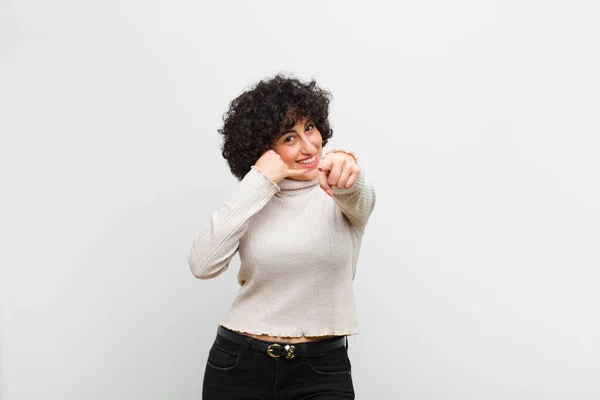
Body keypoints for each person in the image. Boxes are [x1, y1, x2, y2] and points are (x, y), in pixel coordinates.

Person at [188, 74, 376, 399]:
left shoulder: (338, 189)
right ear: (265, 149)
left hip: (322, 369)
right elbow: (202, 264)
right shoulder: (253, 197)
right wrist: (259, 180)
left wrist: (348, 171)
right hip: (239, 364)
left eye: (310, 128)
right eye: (289, 138)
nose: (308, 146)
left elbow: (358, 194)